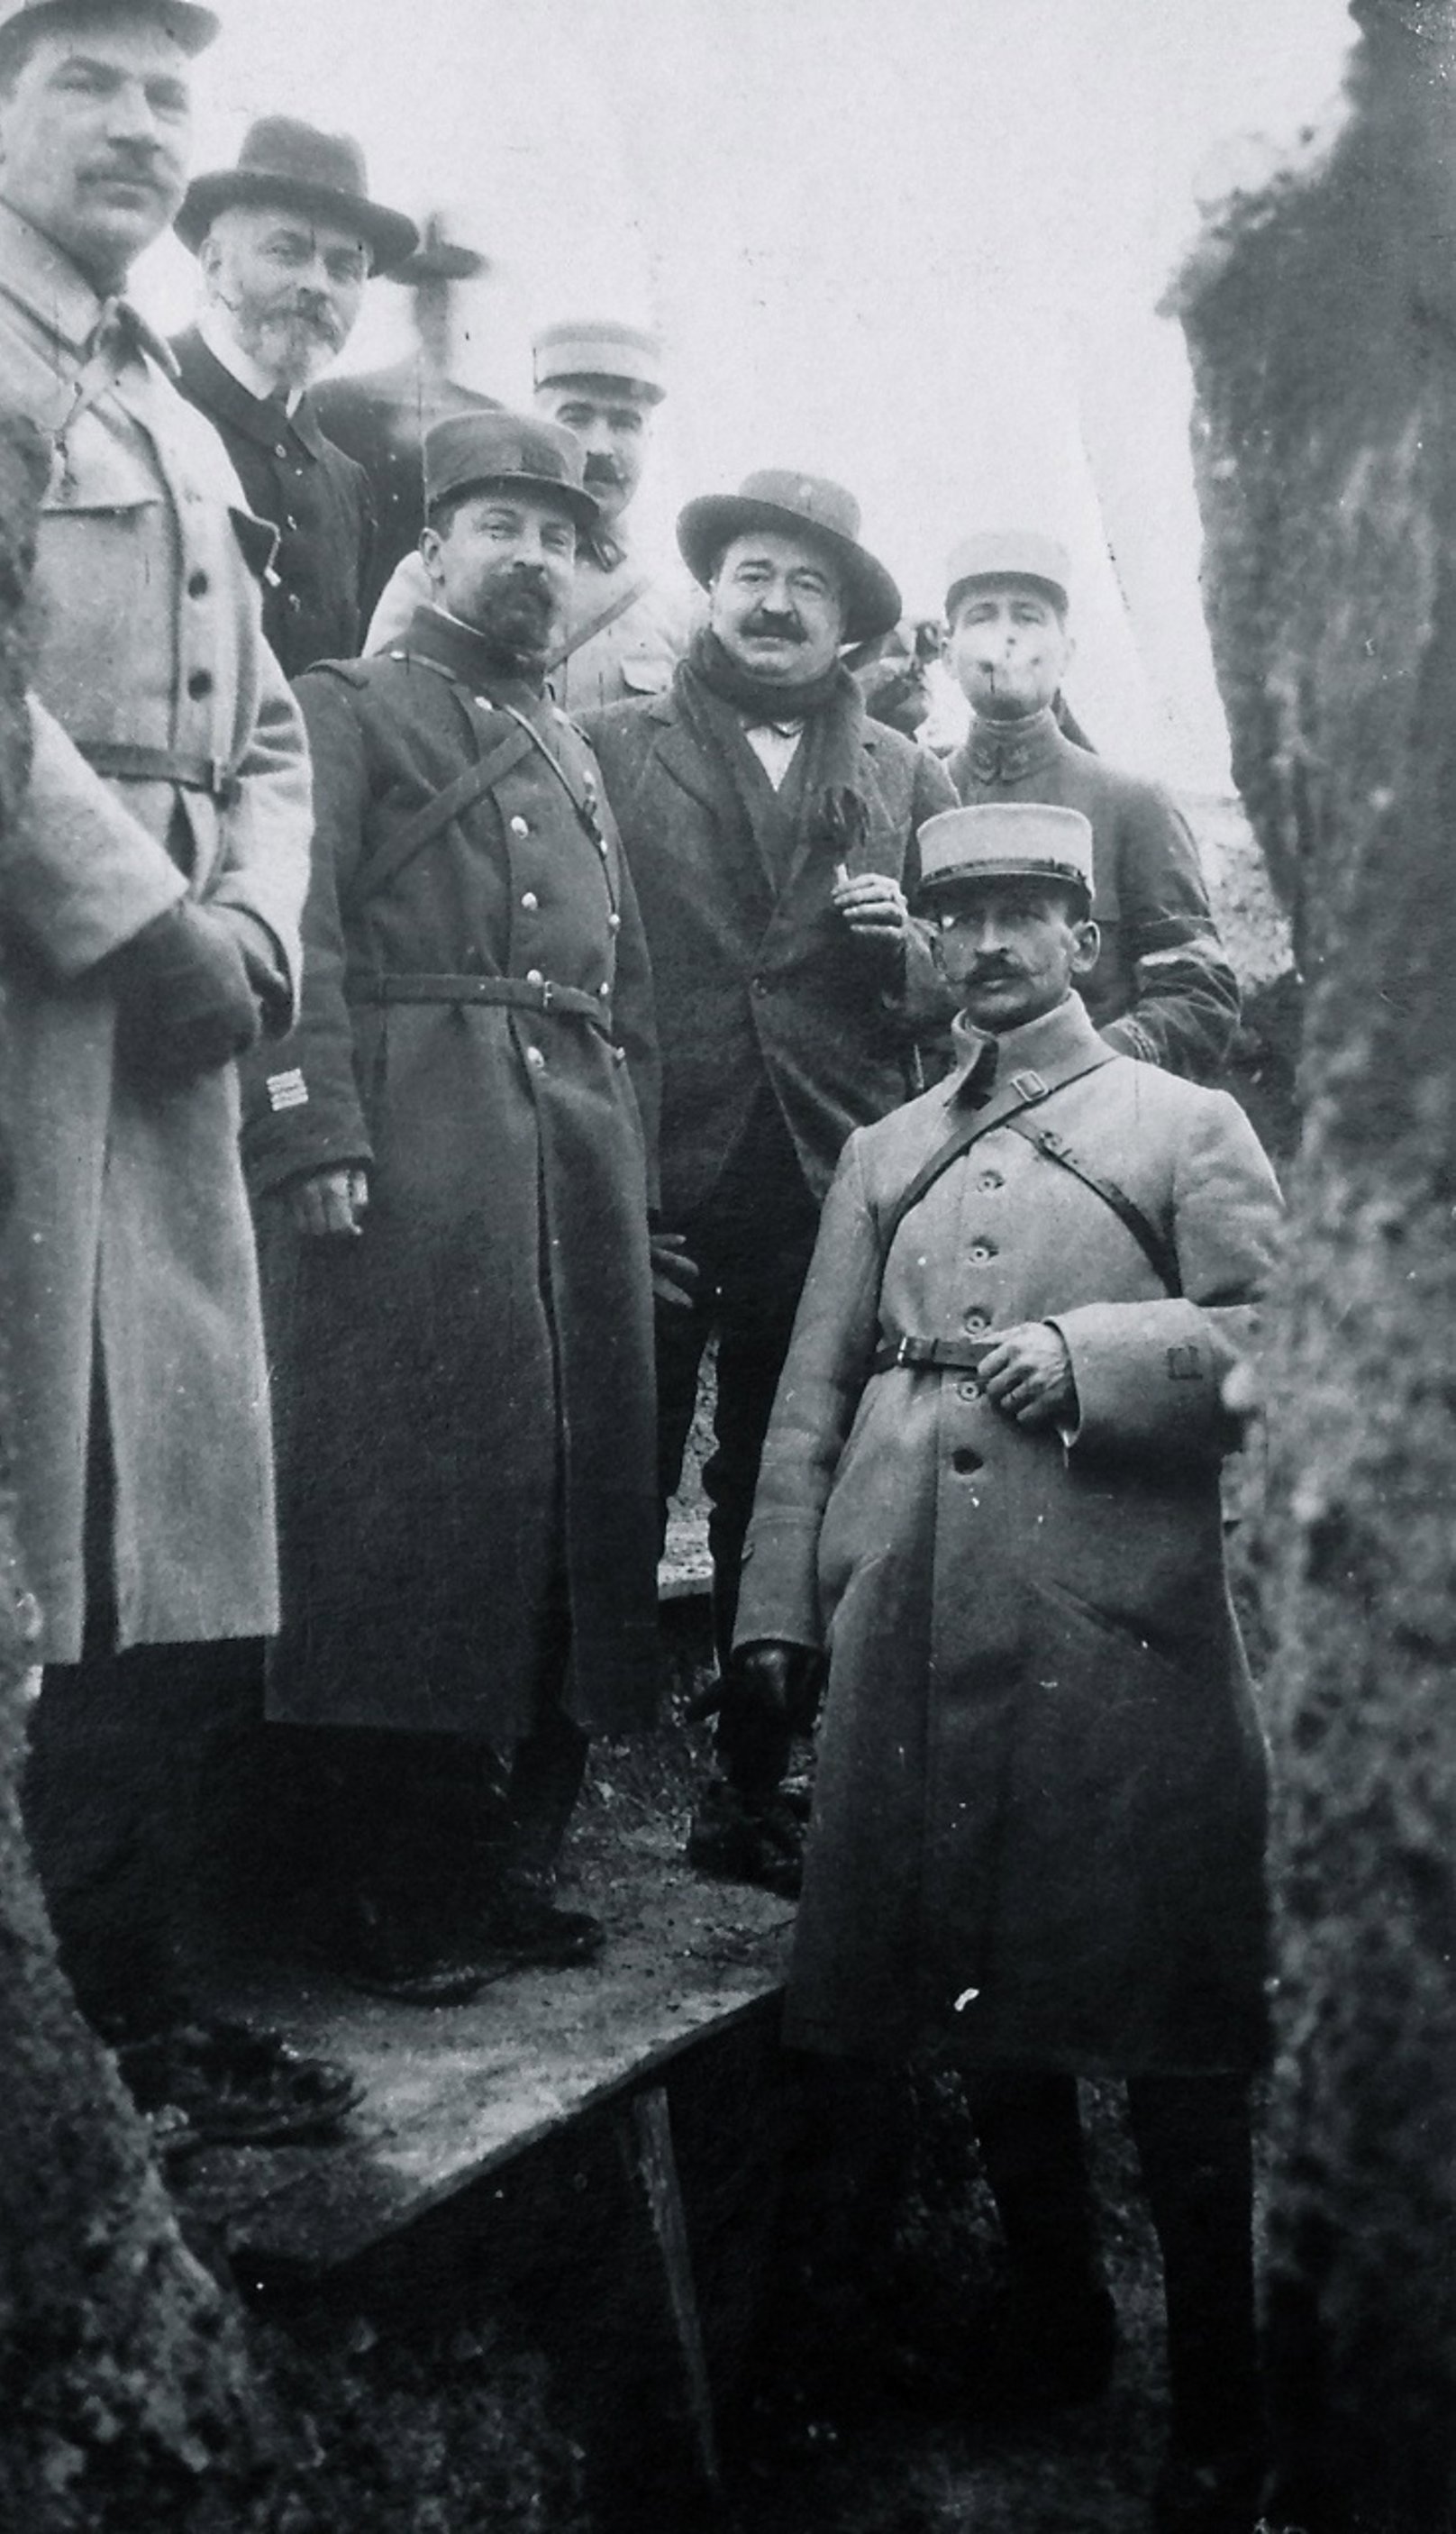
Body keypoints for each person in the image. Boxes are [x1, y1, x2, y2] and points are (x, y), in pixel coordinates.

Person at [0, 0, 350, 2136]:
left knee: (162, 1516)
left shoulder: (166, 395)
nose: (142, 125)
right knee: (27, 1514)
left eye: (172, 93)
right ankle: (29, 2042)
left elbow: (271, 729)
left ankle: (130, 2009)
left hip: (172, 1035)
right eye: (92, 79)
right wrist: (134, 915)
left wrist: (251, 924)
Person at [729, 800, 1282, 2534]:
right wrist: (775, 1609)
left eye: (1023, 914)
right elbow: (809, 1395)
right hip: (911, 1617)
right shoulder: (883, 1148)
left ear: (1085, 939)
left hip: (1119, 1634)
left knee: (1176, 2027)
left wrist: (1098, 1350)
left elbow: (1285, 1338)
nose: (985, 945)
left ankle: (1223, 2402)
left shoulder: (1182, 1123)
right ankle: (1055, 2323)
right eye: (957, 916)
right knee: (979, 1996)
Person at [242, 410, 665, 1999]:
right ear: (432, 548)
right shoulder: (346, 705)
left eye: (560, 538)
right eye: (502, 527)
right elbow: (296, 931)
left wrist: (635, 1183)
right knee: (401, 1513)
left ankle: (479, 1868)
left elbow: (626, 987)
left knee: (539, 1516)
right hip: (414, 1142)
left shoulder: (574, 747)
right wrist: (313, 1131)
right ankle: (382, 1895)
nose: (535, 560)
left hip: (566, 1163)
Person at [587, 469, 956, 1894]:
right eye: (752, 573)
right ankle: (548, 1802)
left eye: (809, 585)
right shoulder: (610, 746)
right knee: (611, 1472)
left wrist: (902, 951)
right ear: (712, 589)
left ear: (850, 621)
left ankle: (753, 1788)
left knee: (786, 1486)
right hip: (654, 1181)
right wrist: (611, 1176)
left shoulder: (909, 775)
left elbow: (961, 981)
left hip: (823, 1187)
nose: (776, 604)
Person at [944, 531, 1241, 1077]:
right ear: (947, 653)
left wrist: (1089, 1072)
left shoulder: (1133, 804)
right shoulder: (915, 793)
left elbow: (1198, 992)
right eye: (982, 617)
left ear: (1067, 652)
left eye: (1028, 617)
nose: (1005, 637)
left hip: (1096, 1116)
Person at [170, 118, 418, 676]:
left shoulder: (347, 485)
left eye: (344, 268)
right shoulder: (138, 400)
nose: (318, 285)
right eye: (286, 252)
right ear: (214, 264)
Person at [363, 320, 697, 714]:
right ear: (537, 422)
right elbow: (377, 718)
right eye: (576, 417)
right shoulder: (431, 575)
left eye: (626, 423)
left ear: (649, 438)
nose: (600, 447)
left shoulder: (673, 607)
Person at [314, 212, 499, 598]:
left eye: (452, 304)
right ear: (415, 310)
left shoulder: (491, 421)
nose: (446, 320)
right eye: (433, 303)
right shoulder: (339, 405)